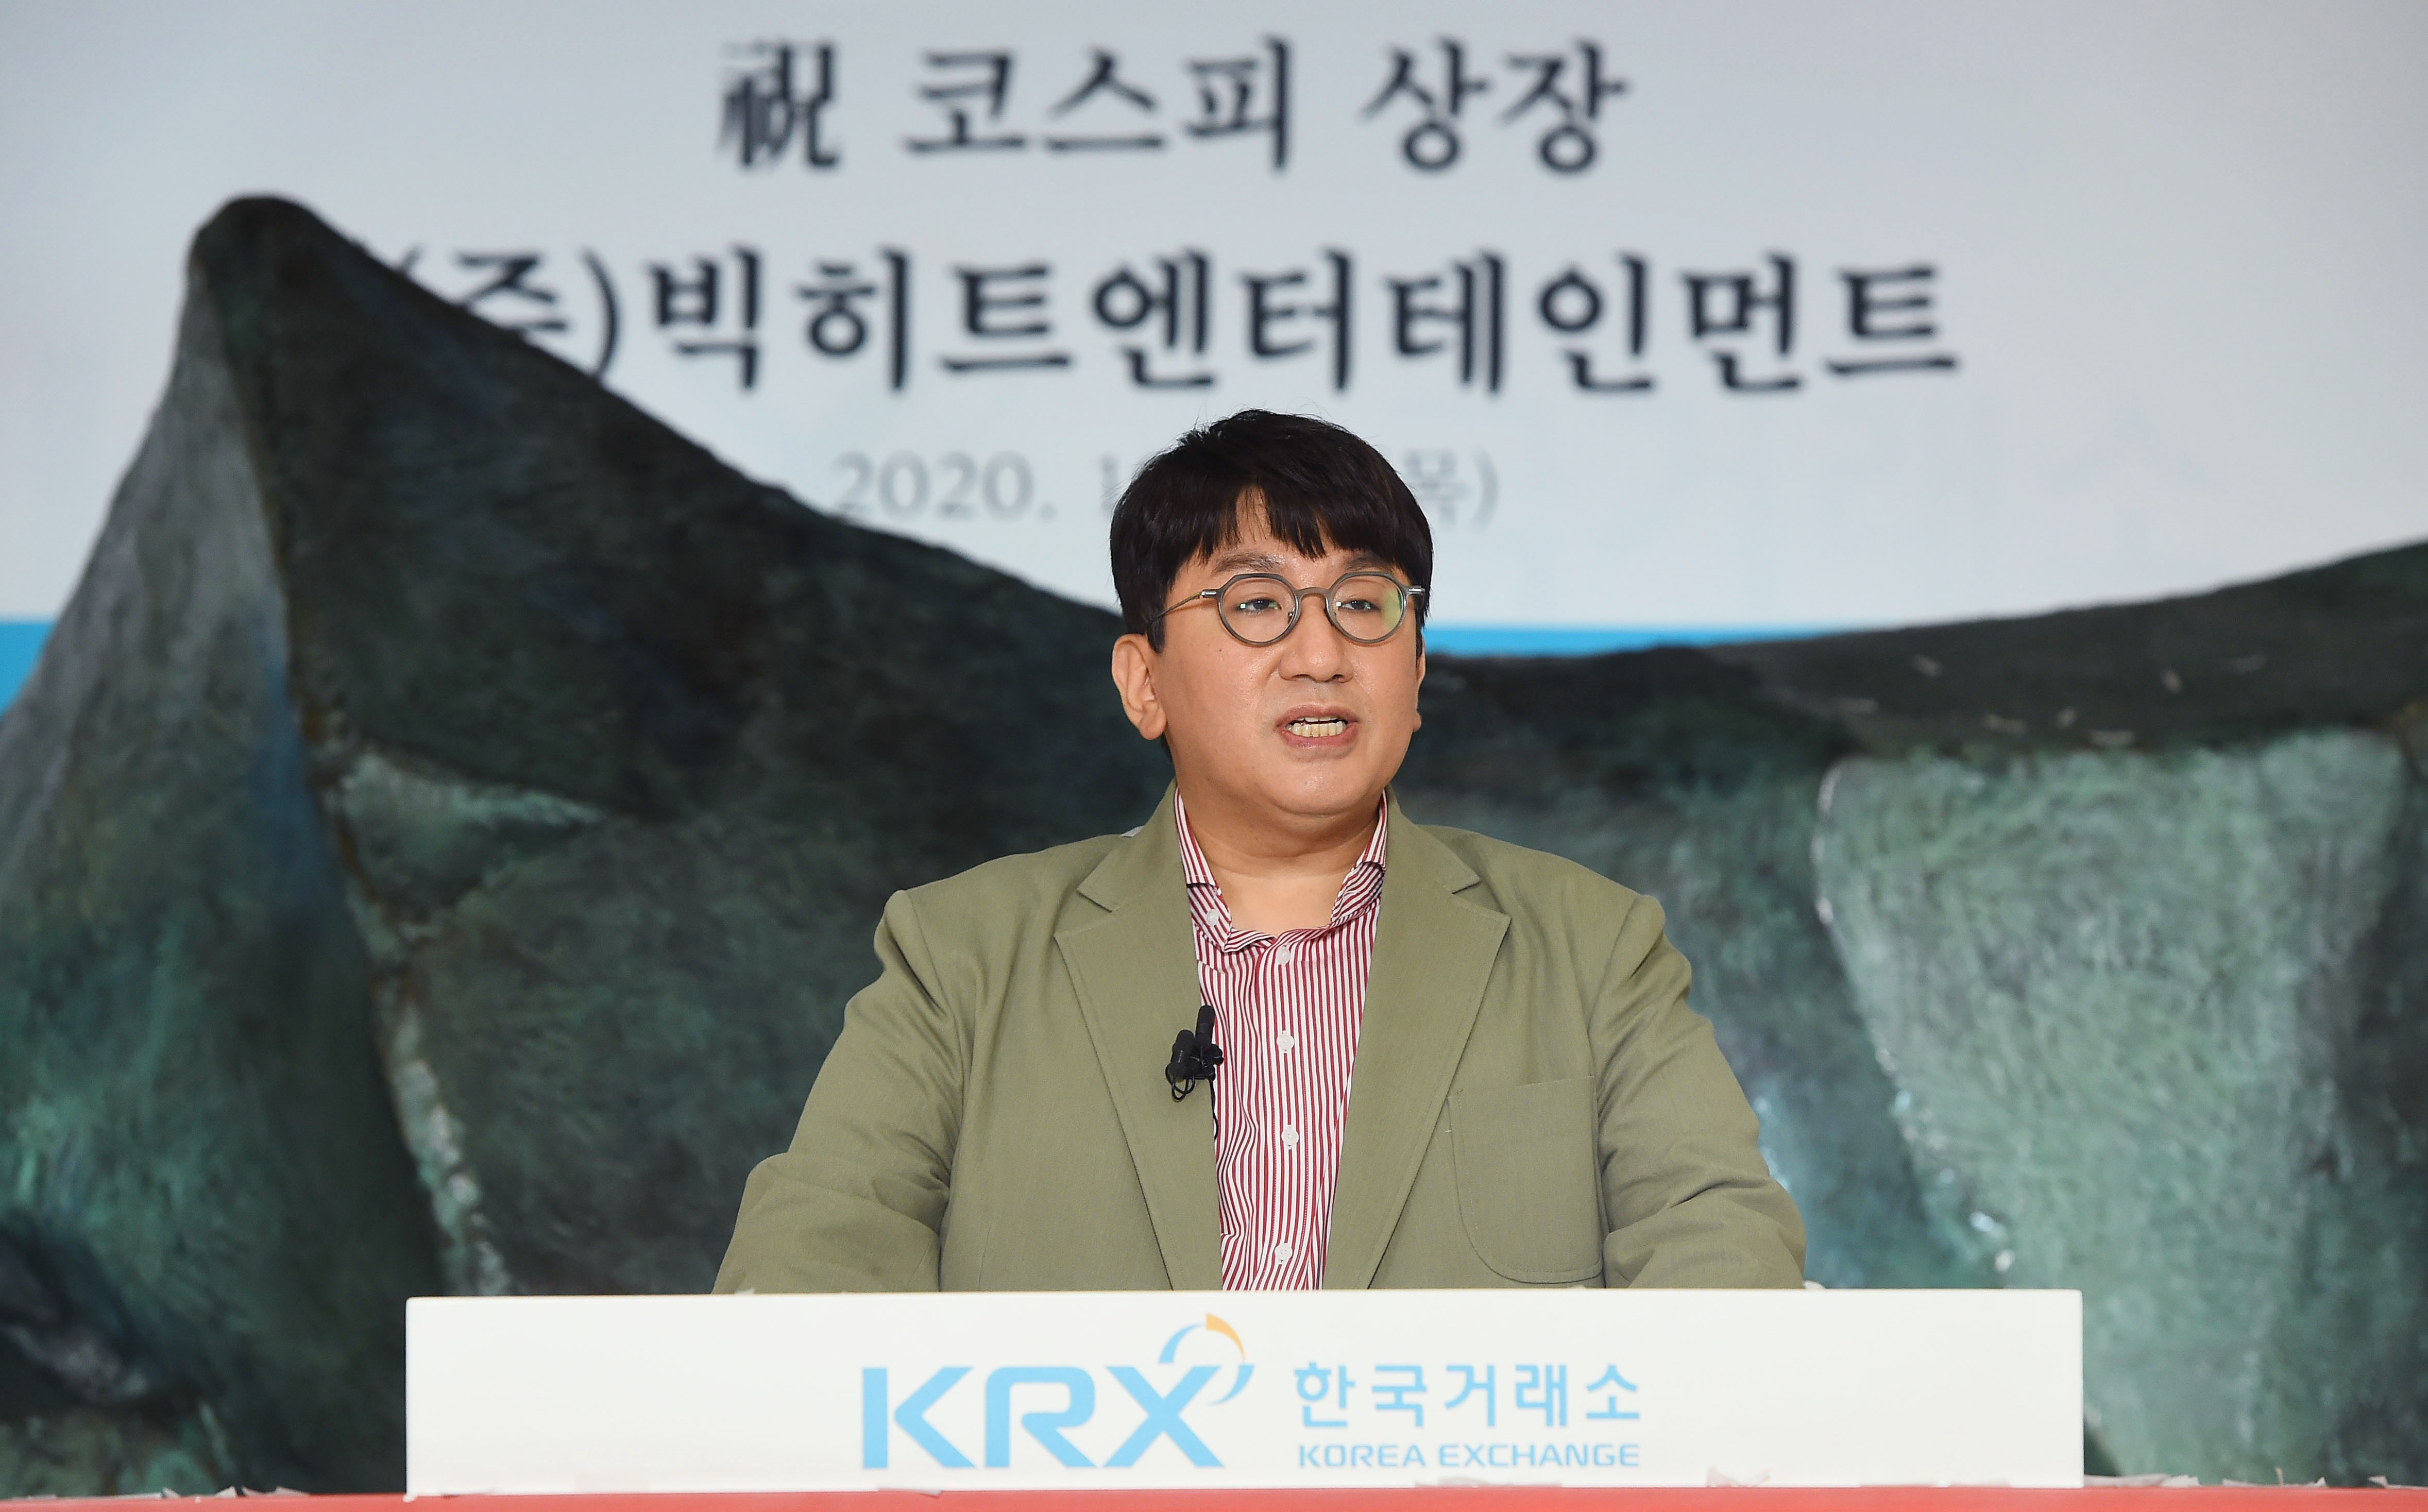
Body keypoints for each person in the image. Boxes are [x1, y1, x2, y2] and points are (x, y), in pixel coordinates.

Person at [715, 410, 1804, 1292]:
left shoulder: (1592, 949)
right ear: (1143, 681)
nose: (1320, 653)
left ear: (1417, 672)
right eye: (1256, 604)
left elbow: (1719, 1246)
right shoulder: (961, 957)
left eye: (1364, 603)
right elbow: (813, 1261)